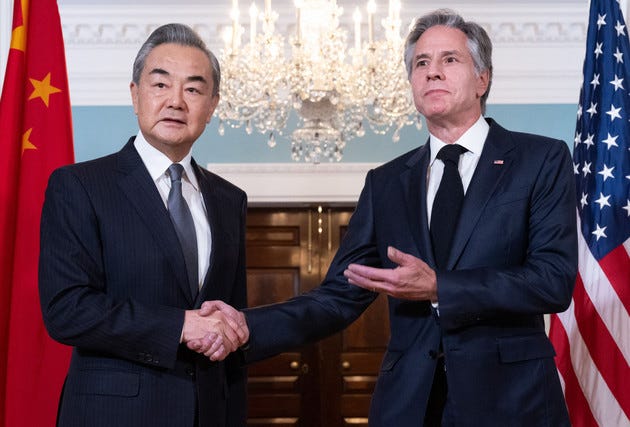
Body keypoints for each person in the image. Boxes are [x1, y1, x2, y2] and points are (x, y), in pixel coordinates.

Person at [195, 8, 579, 426]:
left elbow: (552, 280)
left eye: (449, 60)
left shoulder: (540, 159)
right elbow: (339, 296)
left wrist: (439, 287)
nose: (433, 72)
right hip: (410, 406)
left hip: (512, 402)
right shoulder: (387, 182)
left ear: (482, 79)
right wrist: (248, 326)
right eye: (421, 63)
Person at [39, 23, 249, 427]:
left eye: (193, 89)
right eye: (160, 85)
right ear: (135, 95)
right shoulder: (79, 186)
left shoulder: (229, 200)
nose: (176, 101)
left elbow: (230, 316)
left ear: (212, 105)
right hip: (113, 414)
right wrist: (179, 326)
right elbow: (66, 309)